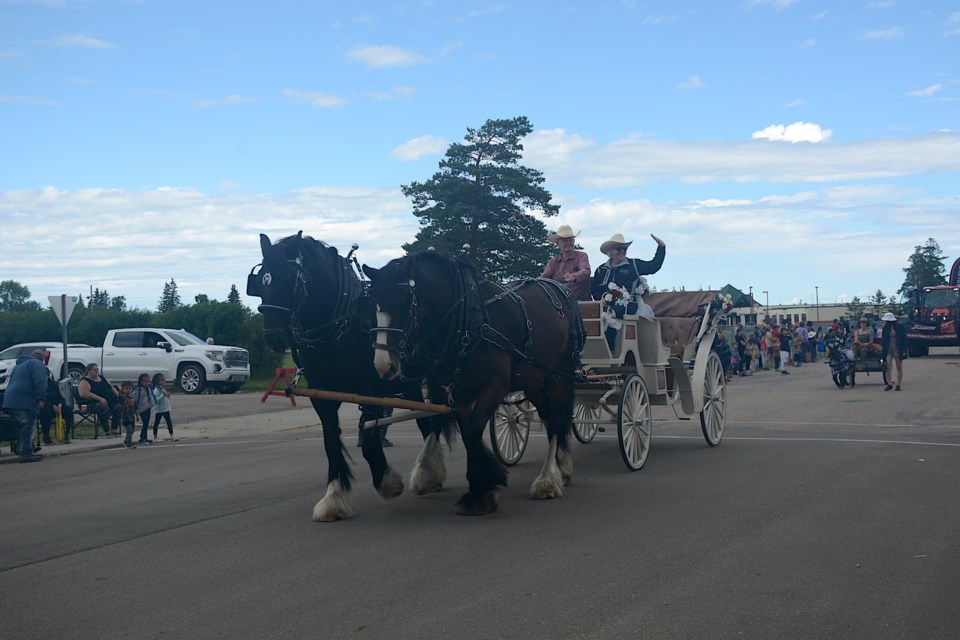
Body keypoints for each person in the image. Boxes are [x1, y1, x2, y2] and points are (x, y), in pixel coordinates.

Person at [592, 233, 666, 349]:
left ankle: (610, 350)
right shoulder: (600, 270)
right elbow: (595, 289)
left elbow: (654, 266)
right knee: (593, 315)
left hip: (629, 305)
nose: (622, 251)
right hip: (605, 305)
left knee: (609, 314)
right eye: (619, 249)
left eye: (625, 249)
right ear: (610, 251)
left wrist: (661, 247)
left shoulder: (633, 265)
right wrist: (603, 299)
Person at [2, 349, 47, 462]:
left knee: (21, 426)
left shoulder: (18, 366)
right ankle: (26, 453)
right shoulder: (37, 364)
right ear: (43, 359)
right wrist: (41, 398)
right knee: (27, 425)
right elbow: (40, 382)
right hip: (24, 400)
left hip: (10, 400)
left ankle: (26, 447)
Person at [540, 225, 591, 301]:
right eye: (565, 241)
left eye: (570, 240)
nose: (569, 243)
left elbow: (586, 271)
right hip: (560, 303)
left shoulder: (582, 256)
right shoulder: (552, 262)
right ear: (557, 244)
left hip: (580, 302)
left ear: (573, 241)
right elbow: (543, 279)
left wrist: (574, 276)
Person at [77, 363, 122, 436]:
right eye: (94, 370)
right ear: (89, 371)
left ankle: (114, 429)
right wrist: (100, 399)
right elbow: (84, 393)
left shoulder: (102, 378)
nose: (97, 371)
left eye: (97, 369)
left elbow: (111, 387)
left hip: (110, 401)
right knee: (102, 407)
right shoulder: (85, 381)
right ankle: (106, 430)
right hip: (91, 403)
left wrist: (117, 394)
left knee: (118, 407)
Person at [38, 368, 68, 446]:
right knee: (46, 413)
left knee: (68, 411)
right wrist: (52, 407)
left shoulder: (54, 384)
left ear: (48, 375)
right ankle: (46, 435)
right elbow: (39, 399)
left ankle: (66, 434)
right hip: (44, 406)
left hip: (57, 405)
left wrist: (61, 404)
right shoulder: (37, 386)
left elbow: (60, 396)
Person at [881, 312, 907, 391]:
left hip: (897, 347)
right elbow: (883, 339)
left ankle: (898, 384)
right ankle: (889, 383)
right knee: (887, 366)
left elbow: (904, 339)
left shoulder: (900, 327)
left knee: (899, 366)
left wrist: (904, 350)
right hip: (888, 348)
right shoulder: (885, 328)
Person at [151, 373, 177, 442]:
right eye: (162, 381)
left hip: (165, 409)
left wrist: (167, 395)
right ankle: (155, 436)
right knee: (156, 423)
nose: (163, 382)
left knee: (169, 422)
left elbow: (166, 398)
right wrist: (163, 395)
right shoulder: (156, 390)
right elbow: (157, 401)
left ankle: (172, 435)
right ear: (157, 382)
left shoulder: (162, 389)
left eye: (164, 381)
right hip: (159, 410)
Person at [134, 373, 155, 444]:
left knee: (147, 423)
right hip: (141, 409)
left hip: (148, 407)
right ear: (141, 382)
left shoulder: (149, 389)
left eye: (148, 382)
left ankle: (144, 437)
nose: (147, 383)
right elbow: (135, 400)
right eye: (145, 382)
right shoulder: (138, 391)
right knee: (145, 422)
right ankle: (143, 438)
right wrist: (136, 411)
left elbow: (151, 396)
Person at [118, 381, 138, 449]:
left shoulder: (133, 398)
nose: (128, 390)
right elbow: (120, 399)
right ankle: (129, 443)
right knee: (129, 430)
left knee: (132, 430)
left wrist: (137, 415)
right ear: (123, 389)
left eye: (130, 388)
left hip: (131, 416)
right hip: (125, 416)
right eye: (126, 388)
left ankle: (126, 441)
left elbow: (135, 407)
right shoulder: (122, 397)